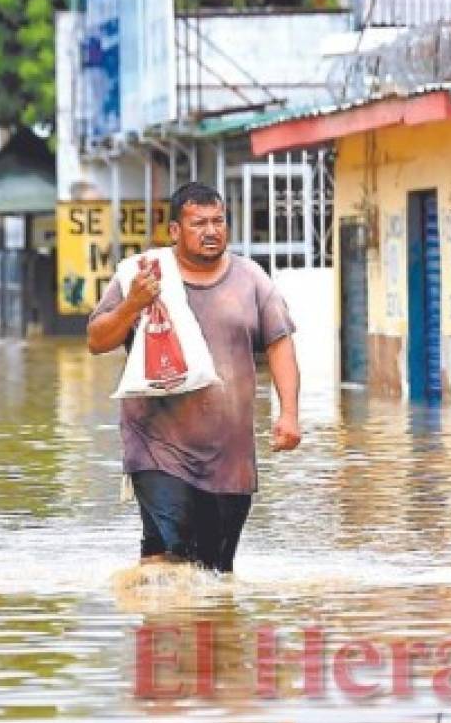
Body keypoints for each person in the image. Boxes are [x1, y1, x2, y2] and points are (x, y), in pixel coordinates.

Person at [87, 182, 301, 573]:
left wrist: (289, 414)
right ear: (174, 231)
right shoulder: (144, 275)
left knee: (214, 572)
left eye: (218, 221)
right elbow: (97, 340)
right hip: (156, 448)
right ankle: (169, 619)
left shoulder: (251, 279)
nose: (211, 231)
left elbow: (280, 344)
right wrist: (132, 305)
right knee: (180, 558)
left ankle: (170, 625)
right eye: (198, 223)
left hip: (229, 459)